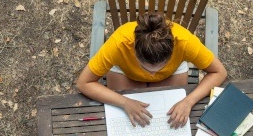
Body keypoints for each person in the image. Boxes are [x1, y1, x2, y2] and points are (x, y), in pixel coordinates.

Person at [76, 12, 227, 128]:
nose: (153, 75)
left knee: (169, 118)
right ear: (133, 50)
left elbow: (219, 72)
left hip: (172, 73)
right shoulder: (119, 43)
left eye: (160, 67)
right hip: (125, 71)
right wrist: (124, 102)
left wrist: (189, 101)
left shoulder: (185, 41)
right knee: (127, 121)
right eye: (145, 68)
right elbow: (83, 83)